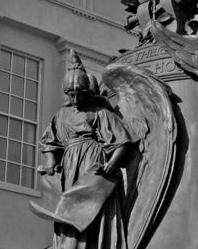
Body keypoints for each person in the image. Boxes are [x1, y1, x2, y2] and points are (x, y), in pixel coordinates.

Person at [38, 52, 134, 249]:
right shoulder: (61, 115)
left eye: (78, 94)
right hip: (68, 166)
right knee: (67, 209)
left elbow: (122, 142)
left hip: (91, 163)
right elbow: (49, 142)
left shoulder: (99, 113)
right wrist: (50, 161)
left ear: (86, 92)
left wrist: (111, 163)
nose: (74, 99)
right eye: (70, 95)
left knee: (89, 209)